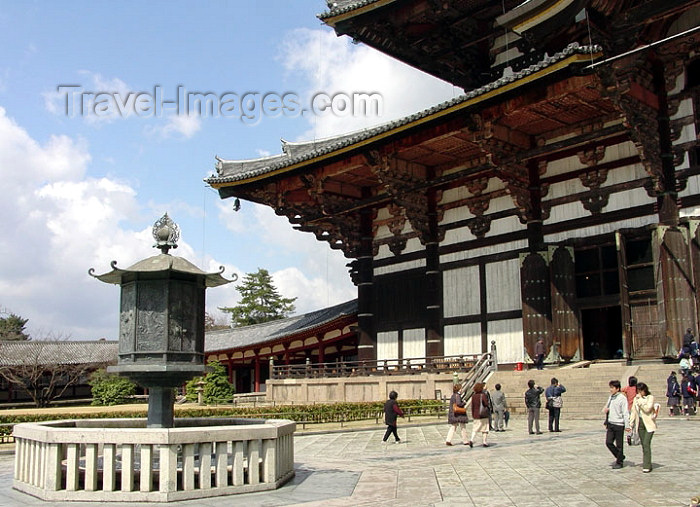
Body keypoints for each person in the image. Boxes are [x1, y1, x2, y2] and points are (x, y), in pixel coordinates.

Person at [628, 382, 657, 473]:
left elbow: (647, 409)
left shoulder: (650, 398)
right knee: (644, 446)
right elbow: (633, 412)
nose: (640, 393)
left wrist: (640, 400)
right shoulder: (636, 399)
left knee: (646, 443)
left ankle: (646, 465)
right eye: (638, 391)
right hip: (640, 424)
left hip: (649, 424)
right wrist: (630, 424)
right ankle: (648, 462)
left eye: (641, 391)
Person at [603, 379, 629, 469]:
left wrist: (627, 425)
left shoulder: (622, 398)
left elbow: (625, 413)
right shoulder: (611, 397)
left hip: (619, 424)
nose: (611, 389)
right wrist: (606, 409)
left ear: (617, 388)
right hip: (611, 423)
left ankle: (619, 462)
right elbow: (607, 406)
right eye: (610, 387)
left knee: (619, 444)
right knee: (608, 442)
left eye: (612, 388)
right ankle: (620, 456)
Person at [468, 382, 490, 447]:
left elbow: (472, 406)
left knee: (475, 429)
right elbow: (486, 404)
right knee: (485, 428)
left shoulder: (473, 396)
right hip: (483, 414)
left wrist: (473, 414)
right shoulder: (483, 395)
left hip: (476, 415)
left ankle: (471, 440)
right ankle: (484, 442)